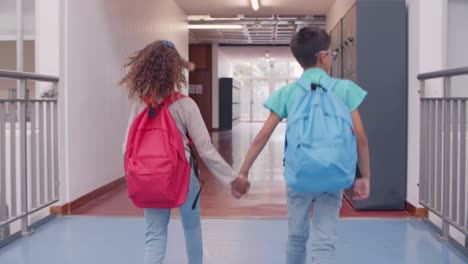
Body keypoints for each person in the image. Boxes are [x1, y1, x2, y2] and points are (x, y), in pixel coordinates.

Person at [233, 27, 371, 264]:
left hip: (299, 176)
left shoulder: (288, 93)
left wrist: (243, 172)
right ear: (322, 56)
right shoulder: (345, 89)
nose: (332, 58)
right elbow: (361, 136)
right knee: (324, 242)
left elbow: (262, 136)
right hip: (335, 174)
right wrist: (364, 176)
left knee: (297, 238)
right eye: (331, 53)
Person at [120, 40, 250, 264]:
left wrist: (139, 174)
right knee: (191, 227)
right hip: (182, 176)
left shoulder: (140, 105)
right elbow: (205, 149)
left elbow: (127, 147)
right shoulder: (185, 105)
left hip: (149, 179)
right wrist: (231, 178)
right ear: (174, 71)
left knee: (154, 235)